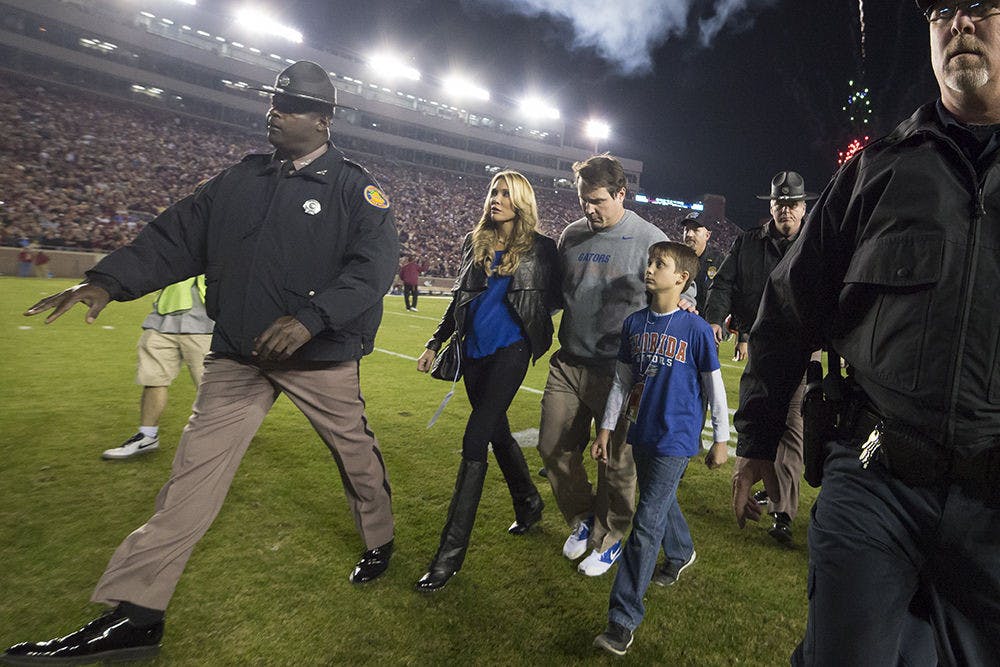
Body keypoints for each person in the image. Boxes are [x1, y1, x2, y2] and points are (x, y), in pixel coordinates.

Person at [5, 61, 399, 664]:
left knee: (355, 456)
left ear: (322, 120)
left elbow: (373, 271)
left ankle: (380, 538)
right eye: (274, 102)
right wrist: (108, 281)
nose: (274, 112)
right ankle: (136, 616)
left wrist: (312, 318)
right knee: (190, 479)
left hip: (319, 359)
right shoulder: (239, 180)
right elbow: (174, 237)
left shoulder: (355, 188)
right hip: (239, 357)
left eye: (289, 106)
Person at [733, 2, 1000, 663]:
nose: (960, 24)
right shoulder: (873, 171)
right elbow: (790, 306)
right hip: (876, 480)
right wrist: (759, 436)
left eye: (982, 6)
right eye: (943, 10)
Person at [537, 154, 695, 577]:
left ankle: (610, 536)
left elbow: (684, 287)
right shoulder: (570, 236)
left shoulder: (649, 237)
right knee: (552, 446)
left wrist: (685, 302)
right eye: (583, 200)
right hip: (568, 362)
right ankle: (584, 518)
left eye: (597, 200)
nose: (589, 209)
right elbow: (555, 296)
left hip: (620, 370)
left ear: (621, 194)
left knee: (617, 462)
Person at [414, 171, 560, 591]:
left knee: (475, 439)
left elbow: (560, 296)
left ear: (521, 202)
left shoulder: (543, 249)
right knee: (497, 433)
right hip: (473, 352)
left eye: (505, 194)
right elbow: (460, 297)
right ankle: (529, 503)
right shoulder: (473, 241)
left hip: (511, 350)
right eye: (493, 192)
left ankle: (448, 557)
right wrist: (434, 342)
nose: (495, 199)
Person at [591, 241, 729, 656]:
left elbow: (714, 387)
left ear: (682, 278)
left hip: (677, 436)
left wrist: (720, 439)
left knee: (645, 524)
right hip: (643, 431)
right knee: (660, 501)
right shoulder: (634, 324)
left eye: (660, 264)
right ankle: (683, 551)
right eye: (650, 262)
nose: (650, 269)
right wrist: (606, 429)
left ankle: (622, 619)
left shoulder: (697, 328)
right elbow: (621, 382)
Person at [704, 170, 817, 543]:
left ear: (804, 208)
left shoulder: (817, 244)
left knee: (792, 425)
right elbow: (724, 283)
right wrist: (715, 319)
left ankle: (783, 512)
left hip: (801, 347)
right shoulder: (746, 243)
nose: (785, 210)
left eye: (792, 204)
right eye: (779, 203)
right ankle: (769, 486)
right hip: (760, 346)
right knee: (761, 416)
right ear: (771, 206)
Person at [101, 277, 213, 460]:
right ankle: (147, 436)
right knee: (153, 379)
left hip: (207, 319)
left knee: (212, 387)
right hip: (163, 317)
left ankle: (230, 432)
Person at [680, 211, 722, 316]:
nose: (689, 234)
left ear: (707, 235)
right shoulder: (674, 258)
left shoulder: (719, 261)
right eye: (687, 229)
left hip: (707, 323)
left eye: (695, 230)